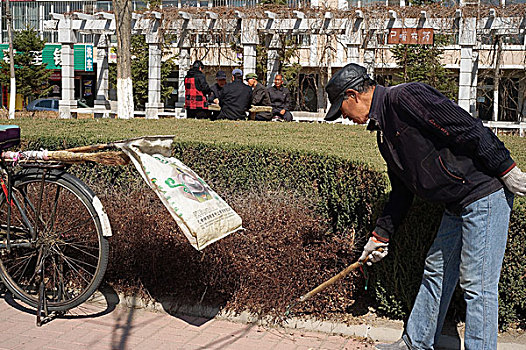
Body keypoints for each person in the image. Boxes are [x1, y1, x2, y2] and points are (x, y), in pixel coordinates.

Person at [324, 63, 526, 350]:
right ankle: (416, 343)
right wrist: (380, 235)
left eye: (341, 109)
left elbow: (466, 127)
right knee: (436, 271)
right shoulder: (384, 132)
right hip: (455, 203)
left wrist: (507, 168)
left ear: (353, 95)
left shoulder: (406, 97)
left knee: (477, 286)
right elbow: (402, 192)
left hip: (483, 194)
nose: (344, 117)